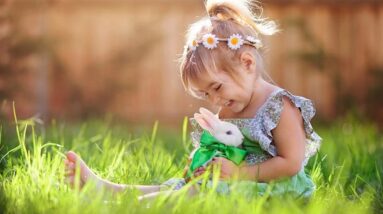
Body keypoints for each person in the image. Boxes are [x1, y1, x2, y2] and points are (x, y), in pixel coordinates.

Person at [64, 0, 322, 200]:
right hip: (238, 184)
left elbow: (291, 163)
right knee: (181, 185)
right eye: (206, 94)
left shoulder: (280, 106)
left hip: (277, 193)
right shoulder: (230, 107)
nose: (215, 100)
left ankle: (145, 206)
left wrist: (239, 173)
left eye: (217, 87)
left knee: (197, 194)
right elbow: (224, 148)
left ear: (247, 63)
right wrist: (203, 161)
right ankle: (109, 190)